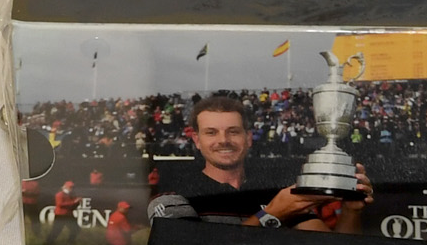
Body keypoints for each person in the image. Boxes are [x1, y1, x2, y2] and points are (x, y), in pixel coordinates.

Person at [148, 94, 366, 230]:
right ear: (196, 140)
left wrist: (351, 210)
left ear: (249, 138)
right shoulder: (172, 196)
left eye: (233, 132)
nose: (223, 141)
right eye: (211, 133)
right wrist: (272, 215)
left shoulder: (274, 193)